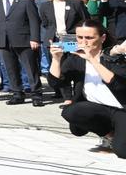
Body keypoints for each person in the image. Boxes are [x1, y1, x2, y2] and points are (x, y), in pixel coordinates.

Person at [50, 20, 126, 158]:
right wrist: (56, 59)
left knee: (122, 152)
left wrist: (92, 60)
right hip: (98, 107)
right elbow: (57, 83)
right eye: (80, 37)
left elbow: (119, 86)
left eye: (89, 38)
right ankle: (109, 134)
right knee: (71, 114)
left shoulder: (114, 56)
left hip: (121, 109)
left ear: (102, 38)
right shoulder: (76, 58)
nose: (84, 42)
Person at [0, 0, 42, 106]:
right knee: (11, 69)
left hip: (24, 40)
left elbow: (34, 21)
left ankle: (36, 95)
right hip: (4, 41)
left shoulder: (26, 1)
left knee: (31, 68)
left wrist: (35, 38)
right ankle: (17, 94)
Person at [39, 0, 91, 100]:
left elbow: (85, 20)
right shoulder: (45, 6)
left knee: (77, 68)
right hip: (55, 40)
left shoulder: (76, 3)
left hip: (72, 39)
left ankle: (78, 97)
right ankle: (67, 98)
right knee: (61, 69)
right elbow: (46, 23)